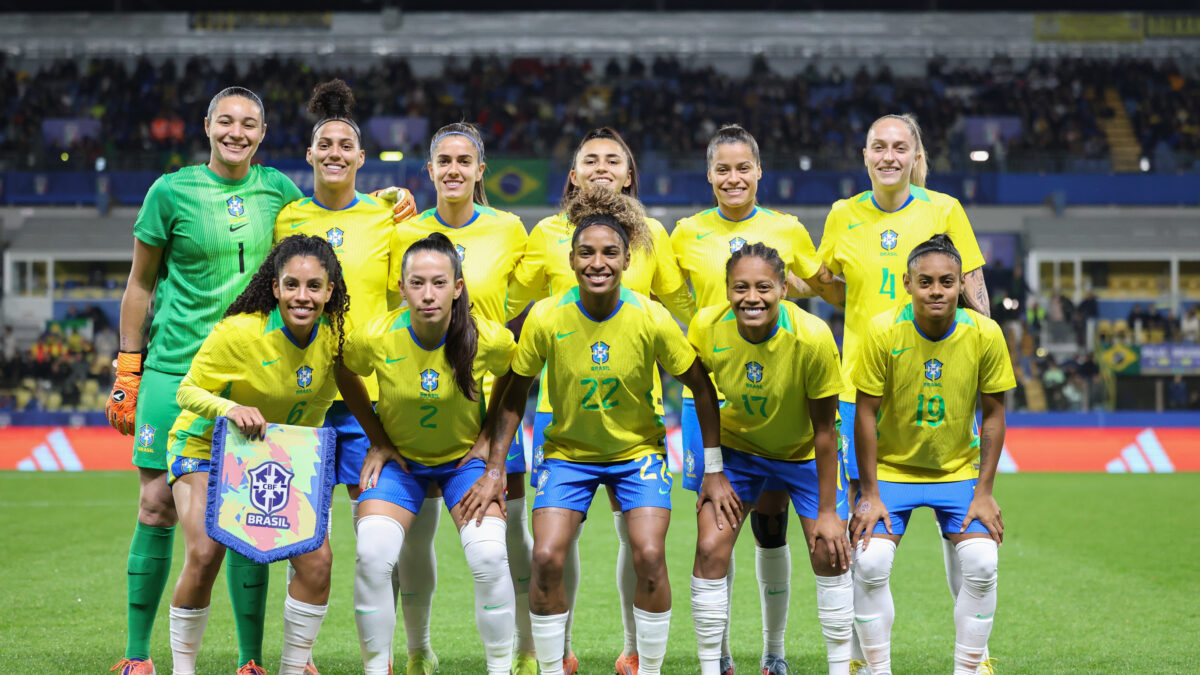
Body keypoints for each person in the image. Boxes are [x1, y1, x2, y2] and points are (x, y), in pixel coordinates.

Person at [105, 85, 415, 675]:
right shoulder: (169, 191)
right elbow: (140, 284)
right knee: (154, 507)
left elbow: (332, 219)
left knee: (255, 514)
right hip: (179, 367)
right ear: (207, 125)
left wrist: (384, 198)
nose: (237, 133)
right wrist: (129, 365)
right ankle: (138, 654)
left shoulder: (280, 192)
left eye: (249, 124)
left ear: (264, 135)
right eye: (226, 121)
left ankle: (254, 659)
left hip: (269, 374)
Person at [492, 186, 723, 675]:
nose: (598, 262)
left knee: (649, 553)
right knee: (549, 557)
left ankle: (648, 667)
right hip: (566, 454)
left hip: (636, 454)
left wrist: (715, 467)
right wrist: (495, 466)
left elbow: (701, 386)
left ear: (626, 260)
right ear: (571, 260)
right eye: (587, 253)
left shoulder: (649, 315)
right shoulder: (547, 315)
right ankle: (554, 667)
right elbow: (514, 391)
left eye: (610, 253)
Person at [812, 113, 990, 672]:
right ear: (864, 155)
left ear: (916, 154)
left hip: (937, 382)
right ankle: (868, 658)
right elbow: (836, 288)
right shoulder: (843, 214)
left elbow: (972, 286)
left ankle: (975, 655)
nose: (889, 156)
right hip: (860, 388)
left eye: (899, 147)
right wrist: (786, 276)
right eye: (878, 147)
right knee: (866, 526)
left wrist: (985, 352)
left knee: (959, 520)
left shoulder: (943, 209)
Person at [670, 124, 828, 675]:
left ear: (759, 172)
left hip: (779, 396)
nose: (733, 178)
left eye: (743, 168)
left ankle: (773, 651)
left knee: (769, 525)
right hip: (710, 402)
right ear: (709, 175)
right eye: (723, 169)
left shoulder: (787, 228)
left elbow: (821, 284)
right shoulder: (685, 232)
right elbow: (660, 290)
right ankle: (720, 652)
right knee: (716, 526)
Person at [165, 235, 355, 675]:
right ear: (275, 288)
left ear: (330, 291)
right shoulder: (240, 333)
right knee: (206, 552)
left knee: (318, 561)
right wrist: (230, 408)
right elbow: (187, 390)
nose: (302, 297)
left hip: (275, 460)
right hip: (205, 448)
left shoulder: (336, 342)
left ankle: (292, 668)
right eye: (291, 285)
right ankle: (182, 670)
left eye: (313, 286)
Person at [271, 80, 408, 674]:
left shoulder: (386, 217)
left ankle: (377, 662)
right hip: (299, 401)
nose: (333, 152)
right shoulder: (287, 219)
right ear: (310, 155)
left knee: (378, 549)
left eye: (344, 145)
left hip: (367, 404)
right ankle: (296, 661)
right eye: (323, 143)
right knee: (308, 547)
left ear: (359, 158)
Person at [390, 122, 531, 675]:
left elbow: (518, 319)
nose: (453, 169)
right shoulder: (405, 232)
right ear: (429, 171)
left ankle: (522, 647)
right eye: (442, 160)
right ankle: (419, 651)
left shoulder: (511, 229)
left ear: (479, 171)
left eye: (463, 160)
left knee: (508, 534)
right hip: (417, 405)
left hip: (492, 414)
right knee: (414, 536)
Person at [345, 233, 518, 675]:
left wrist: (488, 442)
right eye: (416, 283)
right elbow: (344, 370)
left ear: (458, 287)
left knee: (490, 556)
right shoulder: (376, 336)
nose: (427, 294)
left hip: (464, 464)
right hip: (401, 465)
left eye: (439, 283)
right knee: (371, 554)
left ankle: (501, 668)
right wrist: (377, 439)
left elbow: (517, 375)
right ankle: (381, 666)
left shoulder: (486, 339)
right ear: (401, 288)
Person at [849, 235, 1015, 675]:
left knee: (982, 562)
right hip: (891, 472)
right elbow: (863, 414)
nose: (936, 290)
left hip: (958, 472)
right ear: (907, 283)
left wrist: (984, 491)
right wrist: (868, 493)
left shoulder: (985, 333)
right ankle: (874, 668)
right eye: (925, 282)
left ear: (961, 283)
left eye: (946, 281)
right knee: (869, 562)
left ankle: (970, 667)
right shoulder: (883, 331)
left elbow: (995, 413)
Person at [688, 242, 853, 675]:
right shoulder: (705, 327)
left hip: (801, 455)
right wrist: (713, 470)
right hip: (740, 452)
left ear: (783, 287)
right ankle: (711, 666)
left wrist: (830, 511)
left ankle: (834, 665)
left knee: (830, 550)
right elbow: (702, 395)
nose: (752, 297)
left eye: (764, 286)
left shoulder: (813, 337)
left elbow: (824, 432)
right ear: (726, 289)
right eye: (740, 287)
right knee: (709, 545)